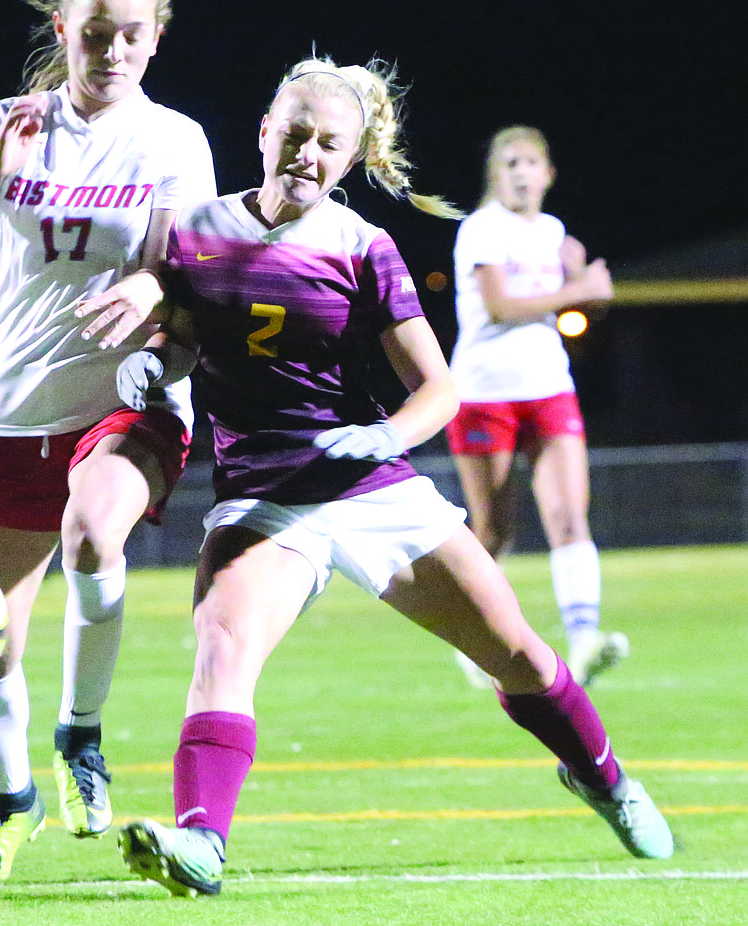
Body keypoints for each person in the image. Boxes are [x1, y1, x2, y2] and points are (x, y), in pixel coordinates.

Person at [109, 58, 673, 898]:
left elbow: (439, 390)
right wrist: (154, 368)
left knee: (514, 648)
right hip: (262, 496)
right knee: (222, 647)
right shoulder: (194, 228)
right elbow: (188, 332)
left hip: (370, 486)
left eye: (328, 143)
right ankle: (201, 844)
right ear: (264, 131)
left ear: (349, 157)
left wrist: (380, 437)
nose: (306, 152)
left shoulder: (361, 245)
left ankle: (604, 777)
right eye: (294, 133)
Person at [0, 0, 216, 883]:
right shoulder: (10, 120)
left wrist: (154, 297)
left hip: (131, 394)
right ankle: (10, 804)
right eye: (95, 34)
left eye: (131, 35)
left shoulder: (174, 139)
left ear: (155, 38)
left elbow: (183, 273)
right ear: (61, 27)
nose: (112, 51)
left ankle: (81, 734)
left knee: (93, 533)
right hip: (15, 410)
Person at [445, 126, 625, 690]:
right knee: (494, 530)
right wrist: (577, 289)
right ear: (495, 177)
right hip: (482, 393)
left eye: (531, 163)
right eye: (510, 164)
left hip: (549, 386)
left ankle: (586, 638)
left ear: (549, 173)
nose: (521, 173)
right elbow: (498, 307)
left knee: (569, 516)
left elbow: (564, 309)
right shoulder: (480, 229)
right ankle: (471, 640)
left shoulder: (553, 232)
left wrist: (580, 282)